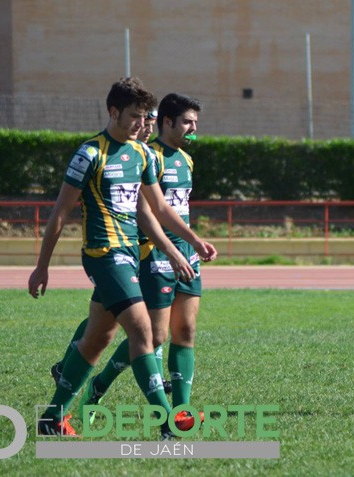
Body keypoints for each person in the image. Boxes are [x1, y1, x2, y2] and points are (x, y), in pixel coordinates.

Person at [28, 77, 217, 438]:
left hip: (131, 253)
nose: (140, 124)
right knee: (144, 331)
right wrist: (42, 267)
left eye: (144, 117)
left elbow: (154, 210)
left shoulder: (142, 154)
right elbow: (59, 213)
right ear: (113, 112)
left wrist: (184, 244)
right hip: (103, 254)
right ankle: (170, 422)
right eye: (134, 116)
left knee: (97, 339)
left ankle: (52, 417)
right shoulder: (90, 154)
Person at [78, 93, 207, 430]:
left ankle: (182, 412)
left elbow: (179, 210)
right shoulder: (150, 157)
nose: (194, 128)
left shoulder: (186, 160)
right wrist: (168, 250)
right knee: (155, 336)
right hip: (156, 254)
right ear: (167, 122)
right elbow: (147, 212)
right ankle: (99, 384)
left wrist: (193, 243)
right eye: (188, 122)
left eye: (196, 122)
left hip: (186, 254)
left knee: (187, 330)